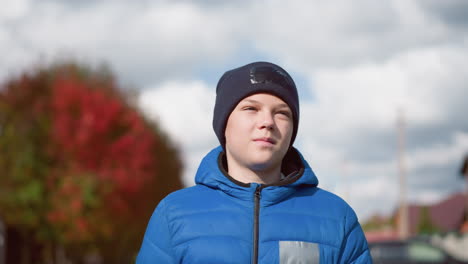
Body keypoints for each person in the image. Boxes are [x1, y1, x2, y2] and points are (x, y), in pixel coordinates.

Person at [136, 62, 372, 263]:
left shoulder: (337, 218)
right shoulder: (174, 214)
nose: (267, 121)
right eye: (251, 108)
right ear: (223, 124)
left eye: (282, 113)